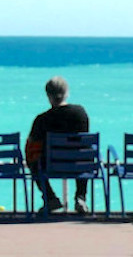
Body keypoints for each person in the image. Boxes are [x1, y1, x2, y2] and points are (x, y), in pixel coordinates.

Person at [26, 76, 91, 215]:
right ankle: (80, 197)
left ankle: (50, 198)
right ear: (67, 93)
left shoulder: (42, 119)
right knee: (86, 152)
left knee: (33, 161)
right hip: (78, 164)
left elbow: (31, 145)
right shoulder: (80, 113)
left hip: (51, 165)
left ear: (48, 96)